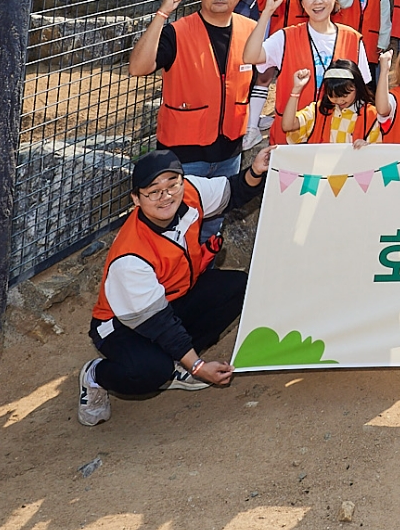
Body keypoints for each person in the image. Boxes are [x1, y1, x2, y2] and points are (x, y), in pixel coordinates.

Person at [78, 150, 262, 425]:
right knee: (149, 371)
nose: (166, 196)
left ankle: (177, 361)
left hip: (172, 298)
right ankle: (96, 375)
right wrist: (198, 367)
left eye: (172, 184)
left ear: (182, 181)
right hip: (122, 325)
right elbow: (159, 323)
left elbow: (233, 192)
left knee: (235, 287)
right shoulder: (130, 258)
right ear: (136, 199)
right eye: (153, 191)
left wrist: (256, 171)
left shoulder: (189, 191)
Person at [127, 0, 255, 189]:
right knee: (182, 221)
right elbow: (138, 68)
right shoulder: (177, 32)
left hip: (230, 152)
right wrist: (162, 14)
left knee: (217, 217)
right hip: (183, 155)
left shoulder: (251, 30)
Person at [245, 0, 366, 146]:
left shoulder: (353, 38)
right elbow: (250, 56)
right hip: (291, 136)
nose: (318, 1)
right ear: (301, 2)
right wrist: (267, 13)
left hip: (336, 137)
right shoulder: (285, 37)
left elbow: (362, 92)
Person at [281, 62, 378, 144]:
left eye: (344, 95)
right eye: (333, 96)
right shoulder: (319, 110)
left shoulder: (370, 115)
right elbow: (288, 126)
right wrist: (296, 90)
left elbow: (379, 152)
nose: (339, 101)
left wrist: (367, 148)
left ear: (357, 87)